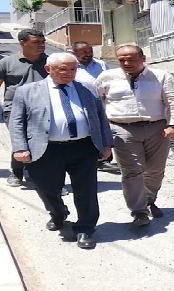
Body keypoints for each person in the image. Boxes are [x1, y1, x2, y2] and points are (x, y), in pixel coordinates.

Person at [8, 53, 113, 250]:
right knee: (46, 187)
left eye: (73, 69)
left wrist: (106, 144)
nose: (69, 73)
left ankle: (85, 229)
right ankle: (58, 213)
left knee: (87, 190)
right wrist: (20, 147)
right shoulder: (27, 91)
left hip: (83, 147)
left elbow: (100, 117)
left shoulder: (87, 88)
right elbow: (17, 121)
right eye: (63, 69)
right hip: (46, 148)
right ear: (49, 69)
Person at [94, 45, 174, 227]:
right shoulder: (106, 77)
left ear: (143, 58)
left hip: (157, 128)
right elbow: (98, 104)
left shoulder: (161, 76)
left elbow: (172, 100)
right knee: (132, 171)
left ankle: (149, 200)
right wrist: (101, 131)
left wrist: (172, 123)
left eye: (131, 59)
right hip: (122, 129)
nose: (126, 63)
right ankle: (139, 211)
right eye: (121, 60)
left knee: (155, 170)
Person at [0, 28, 48, 187]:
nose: (41, 45)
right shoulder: (6, 63)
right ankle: (17, 172)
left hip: (44, 110)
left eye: (43, 42)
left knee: (44, 142)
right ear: (22, 43)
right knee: (21, 139)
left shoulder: (51, 63)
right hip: (15, 110)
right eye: (36, 42)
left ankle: (41, 177)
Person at [71, 41, 119, 173]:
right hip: (80, 101)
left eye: (90, 51)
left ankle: (105, 160)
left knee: (103, 128)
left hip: (101, 101)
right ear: (74, 53)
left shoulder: (100, 64)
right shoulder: (72, 66)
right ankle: (90, 159)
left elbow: (110, 80)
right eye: (84, 52)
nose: (88, 55)